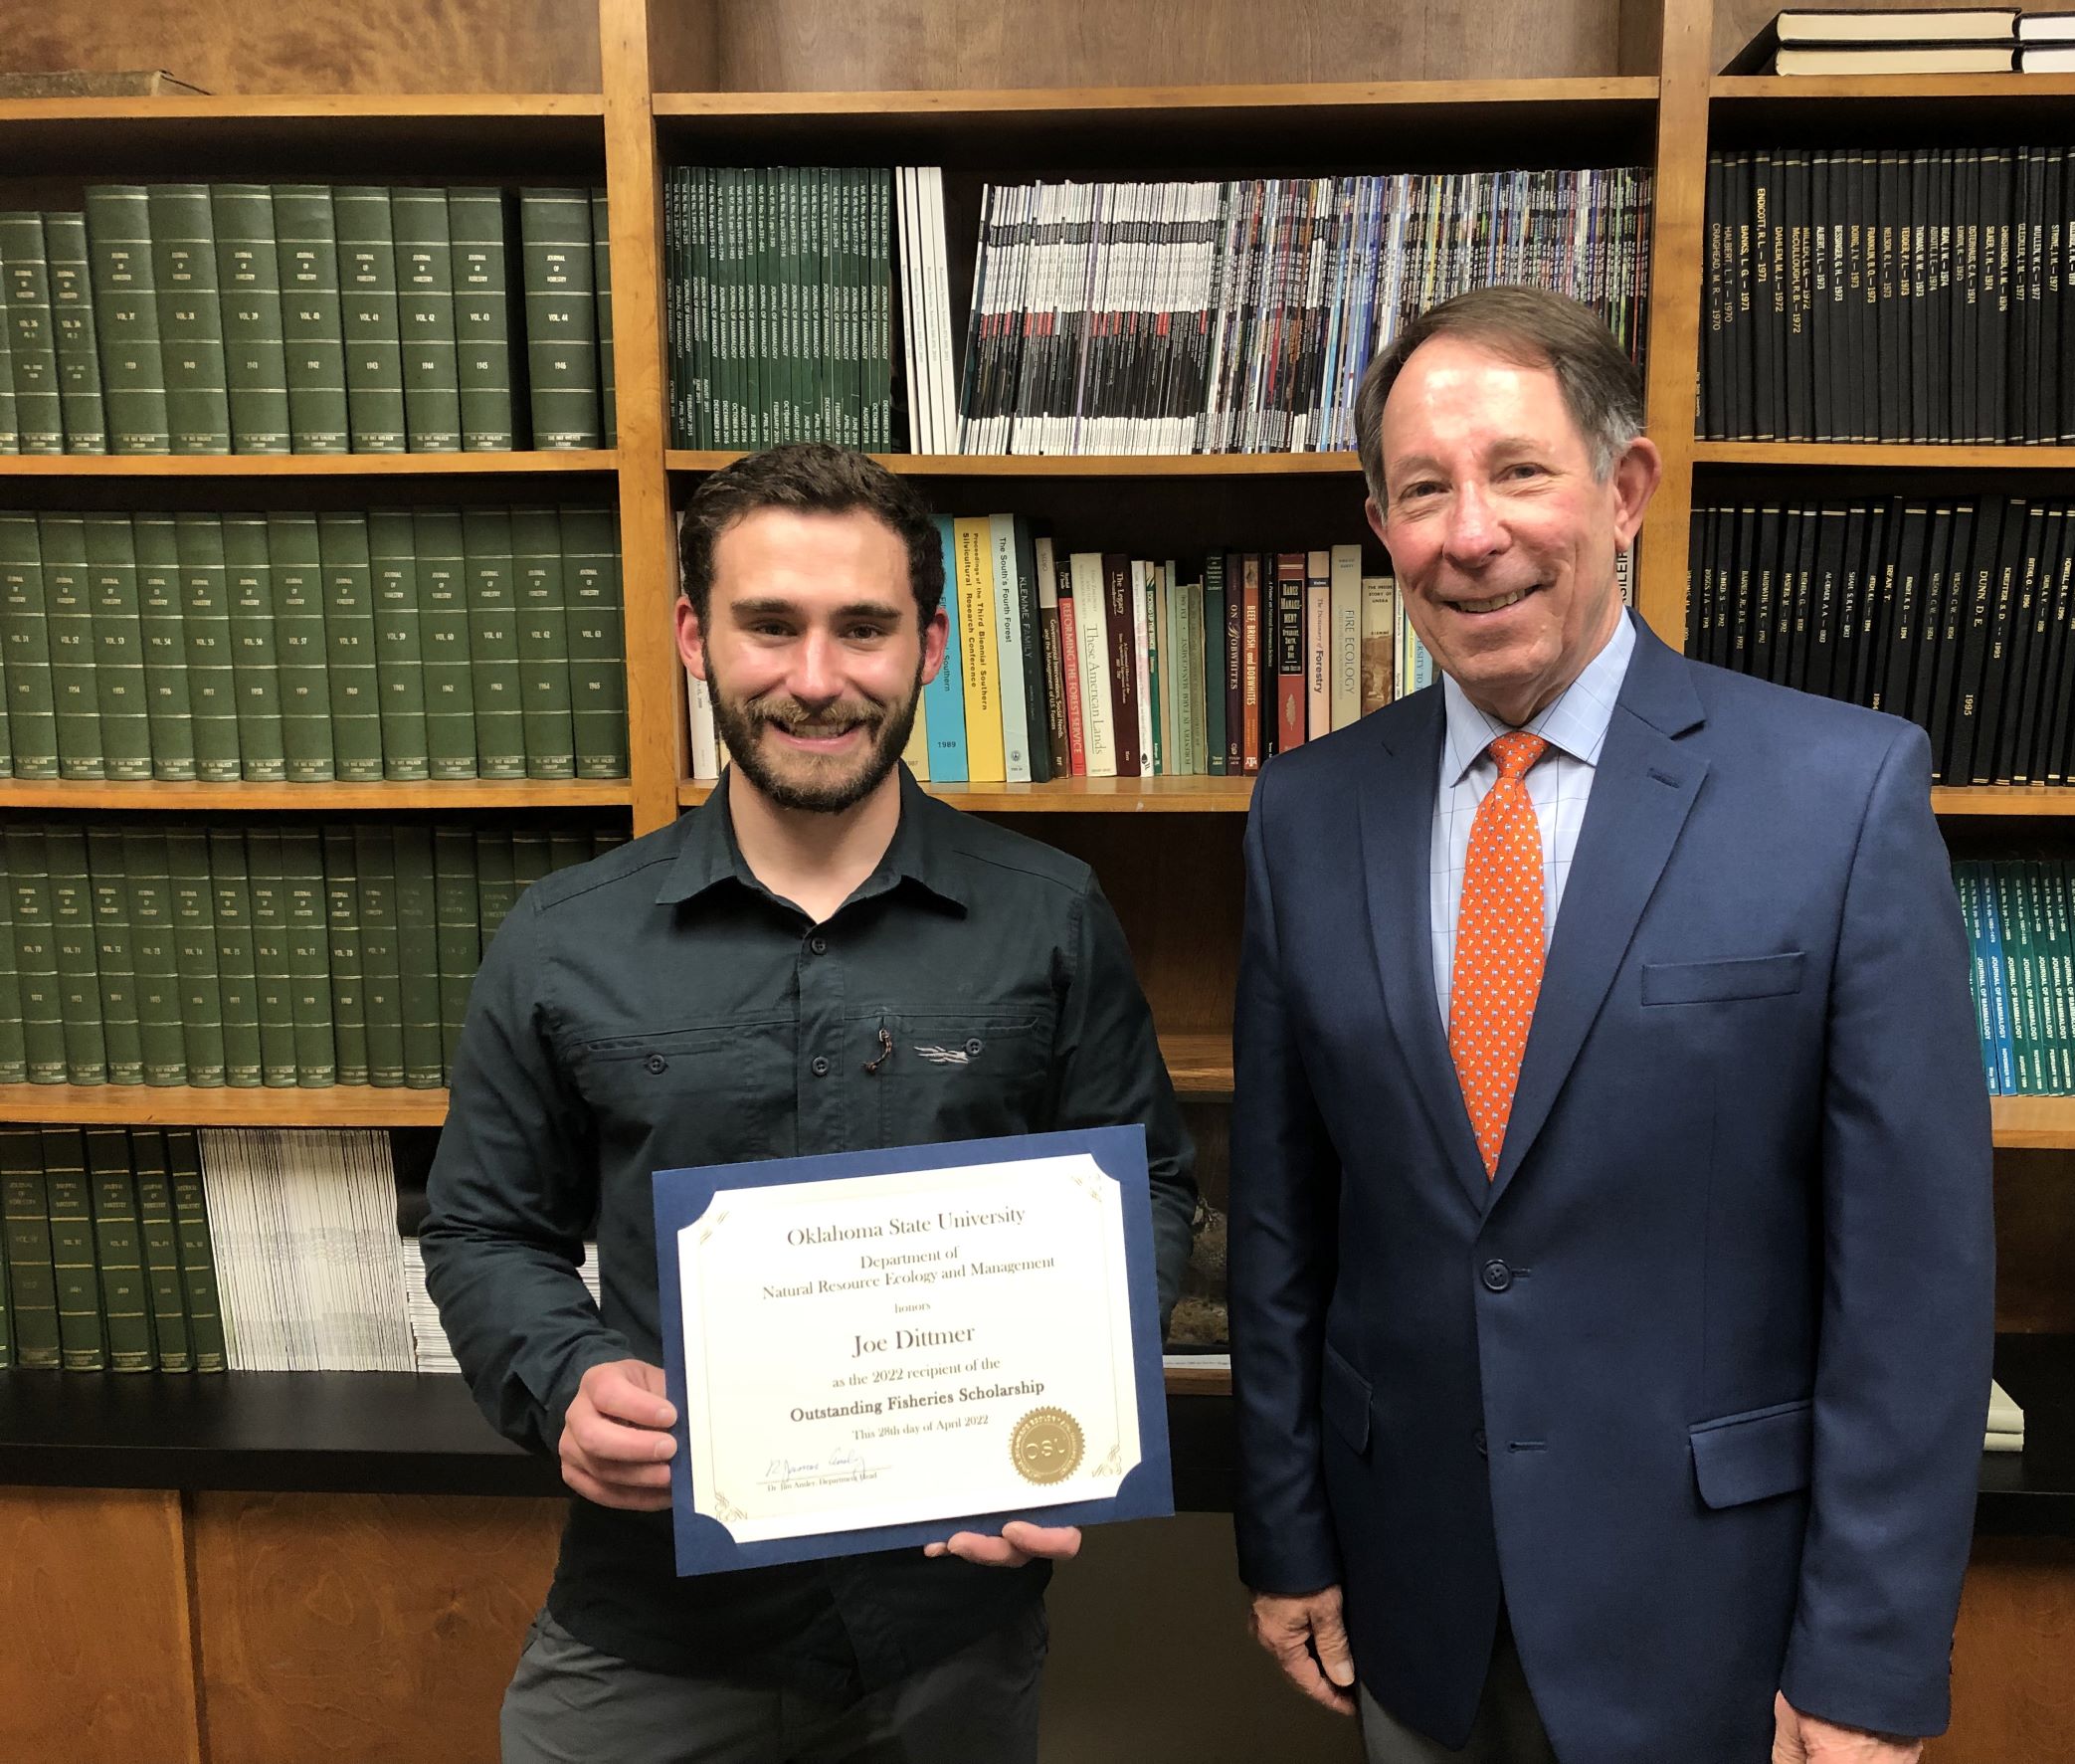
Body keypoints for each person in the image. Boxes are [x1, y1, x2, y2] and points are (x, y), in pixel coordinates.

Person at [1228, 286, 1994, 1764]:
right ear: (1380, 524)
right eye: (1422, 489)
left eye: (1519, 471)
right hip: (1413, 1606)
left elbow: (1915, 1286)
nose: (1471, 531)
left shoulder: (1838, 796)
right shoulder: (1305, 813)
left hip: (1725, 1626)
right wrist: (1284, 1530)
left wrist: (1871, 1663)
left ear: (1626, 489)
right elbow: (1283, 1227)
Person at [422, 442, 1196, 1764]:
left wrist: (1078, 1393)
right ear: (693, 636)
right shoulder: (564, 938)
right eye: (770, 626)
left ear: (931, 646)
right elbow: (485, 1230)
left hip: (953, 1633)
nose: (818, 678)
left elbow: (1154, 1190)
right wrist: (565, 1374)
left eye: (864, 628)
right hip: (654, 1626)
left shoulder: (1050, 914)